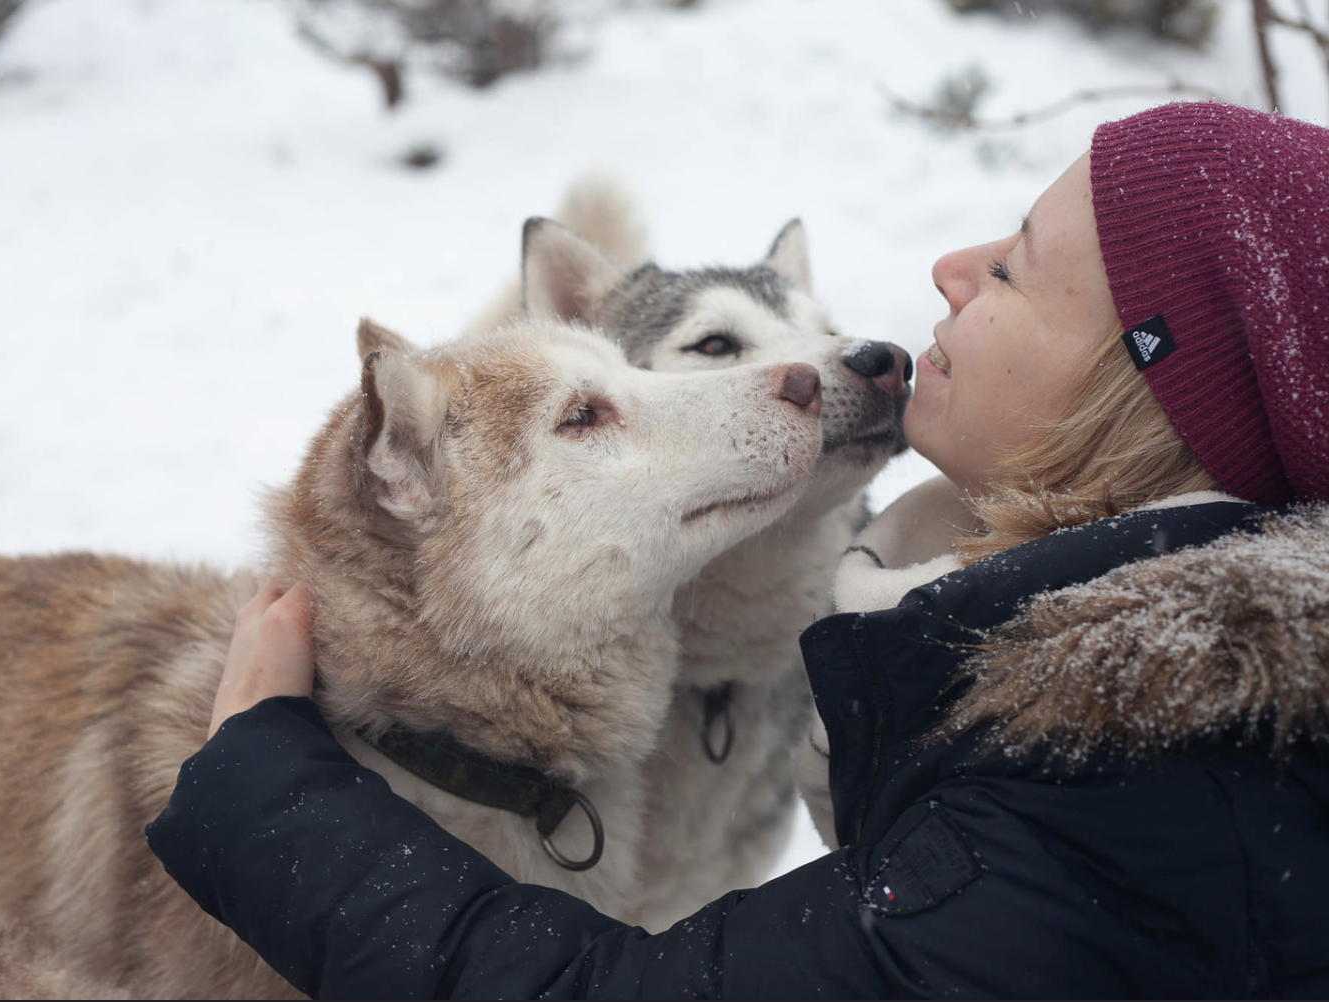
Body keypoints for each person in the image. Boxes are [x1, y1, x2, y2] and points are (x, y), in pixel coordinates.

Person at [146, 102, 1329, 998]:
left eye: (1013, 267)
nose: (946, 269)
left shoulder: (1136, 783)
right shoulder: (1005, 649)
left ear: (1140, 394)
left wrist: (264, 796)